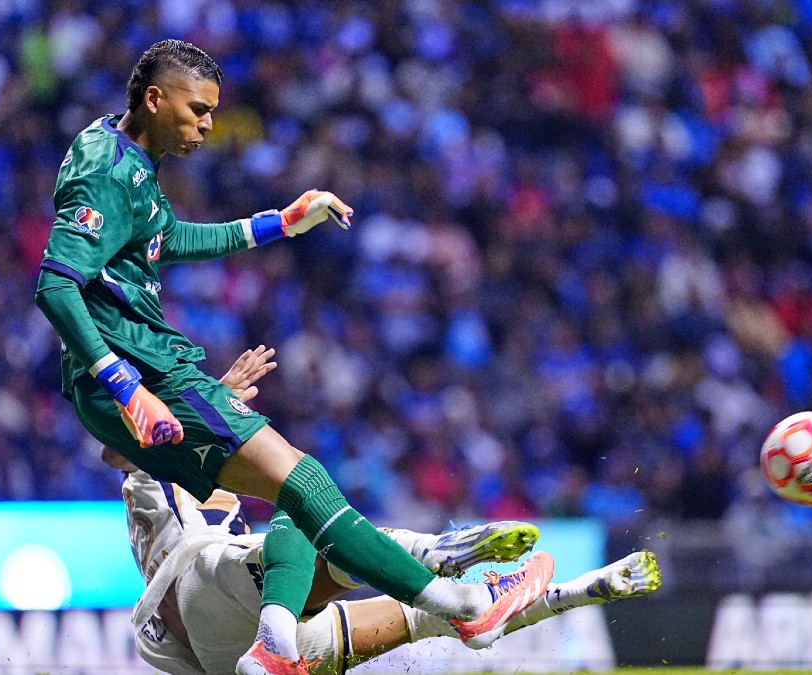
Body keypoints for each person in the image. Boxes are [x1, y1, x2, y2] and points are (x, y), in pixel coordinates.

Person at [33, 40, 552, 675]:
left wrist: (278, 222)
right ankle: (462, 605)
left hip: (134, 376)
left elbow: (169, 239)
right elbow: (56, 284)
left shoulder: (130, 160)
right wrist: (126, 386)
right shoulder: (106, 170)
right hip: (142, 370)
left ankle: (277, 641)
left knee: (295, 498)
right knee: (306, 483)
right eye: (197, 110)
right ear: (154, 98)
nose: (207, 124)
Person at [106, 446, 661, 674]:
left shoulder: (206, 494)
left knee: (420, 616)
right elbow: (115, 447)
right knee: (301, 496)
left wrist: (583, 590)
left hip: (223, 642)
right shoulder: (159, 461)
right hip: (193, 597)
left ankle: (573, 589)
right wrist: (205, 399)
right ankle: (433, 553)